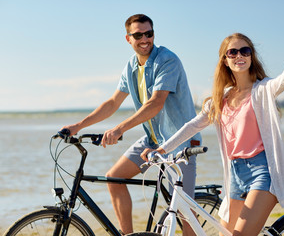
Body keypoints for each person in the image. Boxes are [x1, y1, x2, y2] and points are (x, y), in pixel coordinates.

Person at [141, 33, 284, 235]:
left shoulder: (262, 89)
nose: (240, 55)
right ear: (225, 60)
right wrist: (162, 149)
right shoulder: (220, 99)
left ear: (251, 56)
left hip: (263, 172)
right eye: (233, 52)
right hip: (235, 175)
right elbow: (192, 126)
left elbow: (282, 82)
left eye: (245, 51)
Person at [61, 14, 201, 234]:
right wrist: (78, 126)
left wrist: (119, 129)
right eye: (138, 35)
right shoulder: (131, 67)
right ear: (128, 38)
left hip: (180, 140)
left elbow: (156, 103)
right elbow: (113, 102)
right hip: (153, 140)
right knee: (114, 178)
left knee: (184, 211)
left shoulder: (167, 60)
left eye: (149, 33)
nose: (145, 39)